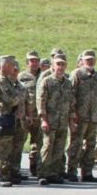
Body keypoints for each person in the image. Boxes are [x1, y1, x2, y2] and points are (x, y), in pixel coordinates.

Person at [36, 54, 75, 185]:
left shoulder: (68, 84)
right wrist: (43, 120)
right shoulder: (47, 82)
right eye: (58, 64)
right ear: (53, 66)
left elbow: (71, 104)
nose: (60, 67)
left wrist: (71, 122)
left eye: (63, 64)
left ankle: (53, 173)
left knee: (59, 149)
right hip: (50, 121)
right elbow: (41, 102)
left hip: (62, 122)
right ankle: (42, 173)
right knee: (47, 147)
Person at [66, 50, 97, 182]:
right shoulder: (77, 74)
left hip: (93, 117)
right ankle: (71, 171)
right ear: (82, 61)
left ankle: (87, 172)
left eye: (92, 59)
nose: (90, 62)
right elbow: (70, 96)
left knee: (91, 145)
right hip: (79, 117)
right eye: (87, 59)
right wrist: (73, 114)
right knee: (75, 144)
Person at [0, 55, 26, 187]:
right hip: (2, 118)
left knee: (7, 148)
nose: (13, 68)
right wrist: (20, 96)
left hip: (8, 117)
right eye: (11, 65)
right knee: (0, 147)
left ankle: (4, 175)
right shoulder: (0, 81)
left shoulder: (7, 80)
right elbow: (11, 99)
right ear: (5, 66)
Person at [18, 52, 43, 176]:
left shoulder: (44, 76)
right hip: (25, 116)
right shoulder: (21, 77)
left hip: (39, 116)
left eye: (36, 60)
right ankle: (15, 169)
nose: (34, 63)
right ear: (27, 62)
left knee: (38, 143)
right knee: (19, 142)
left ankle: (35, 167)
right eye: (31, 61)